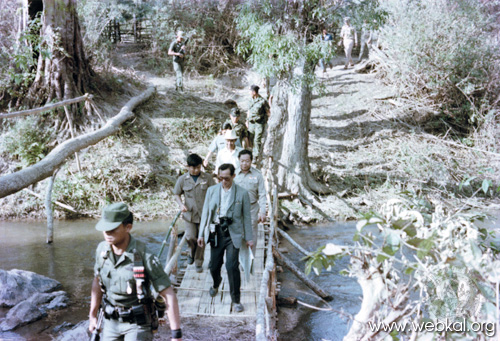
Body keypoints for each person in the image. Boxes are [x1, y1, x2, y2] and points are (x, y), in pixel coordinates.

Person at [89, 203, 182, 341]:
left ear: (128, 227)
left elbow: (168, 294)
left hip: (138, 323)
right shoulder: (101, 250)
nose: (107, 233)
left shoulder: (144, 255)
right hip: (111, 322)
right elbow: (97, 281)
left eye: (113, 229)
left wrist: (176, 335)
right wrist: (92, 315)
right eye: (105, 229)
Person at [197, 163, 253, 313]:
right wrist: (201, 233)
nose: (223, 181)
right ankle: (216, 283)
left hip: (233, 234)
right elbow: (206, 213)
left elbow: (247, 217)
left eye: (226, 178)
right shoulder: (211, 191)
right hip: (216, 232)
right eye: (220, 178)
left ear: (233, 176)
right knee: (214, 265)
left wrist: (249, 238)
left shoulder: (242, 193)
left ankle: (236, 300)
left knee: (231, 266)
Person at [174, 154, 215, 273]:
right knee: (191, 237)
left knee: (201, 239)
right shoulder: (182, 179)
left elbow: (214, 192)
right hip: (189, 215)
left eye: (198, 167)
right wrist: (181, 205)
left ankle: (198, 262)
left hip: (204, 215)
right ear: (188, 167)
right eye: (193, 168)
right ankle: (191, 253)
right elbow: (176, 193)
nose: (195, 170)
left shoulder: (207, 178)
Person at [234, 149, 267, 252]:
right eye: (242, 161)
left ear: (251, 161)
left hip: (252, 209)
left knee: (251, 236)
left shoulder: (257, 175)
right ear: (239, 160)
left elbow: (262, 194)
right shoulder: (233, 174)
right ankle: (239, 262)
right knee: (237, 235)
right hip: (236, 208)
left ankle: (250, 262)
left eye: (247, 161)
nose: (244, 163)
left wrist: (263, 211)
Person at [246, 85, 270, 162]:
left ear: (254, 92)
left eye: (250, 91)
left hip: (259, 123)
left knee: (257, 139)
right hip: (251, 123)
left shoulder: (262, 101)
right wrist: (247, 121)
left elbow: (268, 112)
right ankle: (251, 153)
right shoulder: (250, 100)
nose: (249, 92)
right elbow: (249, 111)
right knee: (250, 138)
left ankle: (256, 156)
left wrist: (268, 124)